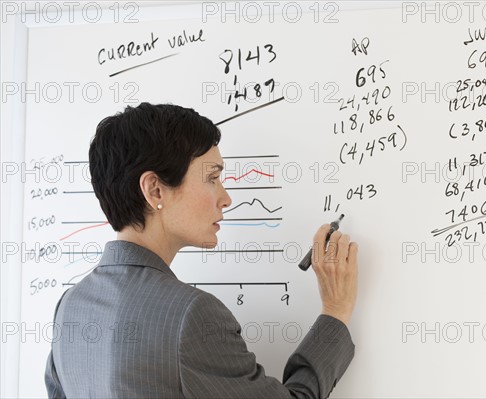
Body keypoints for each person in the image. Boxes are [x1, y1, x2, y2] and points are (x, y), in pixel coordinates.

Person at [44, 103, 359, 398]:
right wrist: (335, 312)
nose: (226, 198)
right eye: (212, 178)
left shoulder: (70, 306)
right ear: (155, 189)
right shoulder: (190, 317)